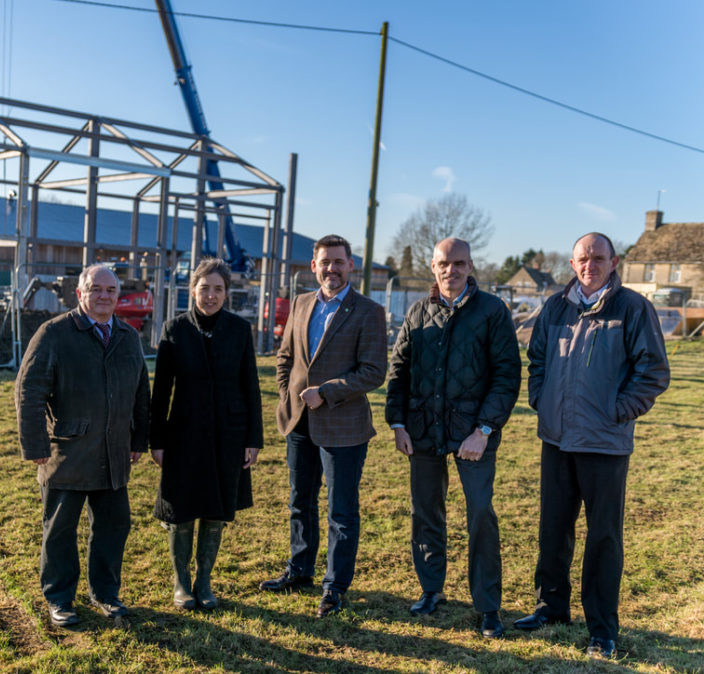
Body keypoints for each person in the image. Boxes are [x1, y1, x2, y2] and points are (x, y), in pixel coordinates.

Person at [515, 232, 669, 659]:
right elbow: (539, 360)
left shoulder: (633, 307)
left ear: (613, 261)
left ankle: (602, 629)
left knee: (603, 538)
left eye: (598, 258)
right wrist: (541, 401)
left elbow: (654, 371)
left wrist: (619, 410)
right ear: (571, 263)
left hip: (605, 443)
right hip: (557, 438)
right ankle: (551, 608)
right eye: (583, 258)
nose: (590, 265)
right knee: (553, 531)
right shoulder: (555, 307)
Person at [385, 237, 521, 638]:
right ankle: (431, 589)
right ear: (433, 266)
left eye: (459, 263)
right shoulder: (418, 311)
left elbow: (507, 375)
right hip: (423, 428)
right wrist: (397, 423)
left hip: (472, 431)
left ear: (471, 265)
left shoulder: (492, 311)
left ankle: (488, 606)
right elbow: (399, 371)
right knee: (425, 511)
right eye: (444, 263)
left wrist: (484, 429)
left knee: (480, 514)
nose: (451, 270)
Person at [15, 263, 151, 627]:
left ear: (118, 297)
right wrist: (35, 444)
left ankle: (106, 593)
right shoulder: (54, 333)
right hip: (66, 452)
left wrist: (139, 438)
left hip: (114, 452)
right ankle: (59, 598)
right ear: (80, 293)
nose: (104, 296)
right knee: (60, 530)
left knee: (113, 527)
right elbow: (29, 392)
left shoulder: (127, 335)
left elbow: (141, 391)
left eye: (110, 290)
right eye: (96, 289)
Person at [260, 234, 387, 618]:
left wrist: (327, 392)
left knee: (341, 510)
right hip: (299, 422)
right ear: (312, 266)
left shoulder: (368, 311)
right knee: (300, 500)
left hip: (343, 426)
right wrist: (288, 394)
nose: (331, 268)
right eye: (324, 262)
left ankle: (335, 585)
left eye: (338, 261)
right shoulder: (300, 304)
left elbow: (373, 371)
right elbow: (285, 359)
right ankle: (299, 570)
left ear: (351, 266)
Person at [150, 258, 263, 610]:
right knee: (182, 509)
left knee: (216, 509)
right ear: (192, 290)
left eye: (218, 289)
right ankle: (181, 583)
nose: (211, 295)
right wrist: (157, 440)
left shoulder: (240, 331)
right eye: (204, 288)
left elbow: (251, 386)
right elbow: (161, 392)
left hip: (229, 435)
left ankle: (204, 581)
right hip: (183, 434)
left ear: (226, 293)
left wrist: (253, 439)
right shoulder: (174, 330)